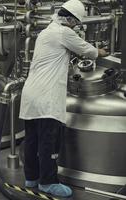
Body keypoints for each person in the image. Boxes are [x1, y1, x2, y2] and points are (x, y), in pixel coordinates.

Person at [19, 0, 108, 197]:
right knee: (48, 141)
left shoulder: (46, 31)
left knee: (32, 139)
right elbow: (90, 52)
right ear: (69, 19)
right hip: (47, 97)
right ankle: (48, 182)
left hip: (31, 94)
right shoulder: (64, 33)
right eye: (76, 23)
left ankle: (31, 177)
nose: (76, 26)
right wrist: (102, 51)